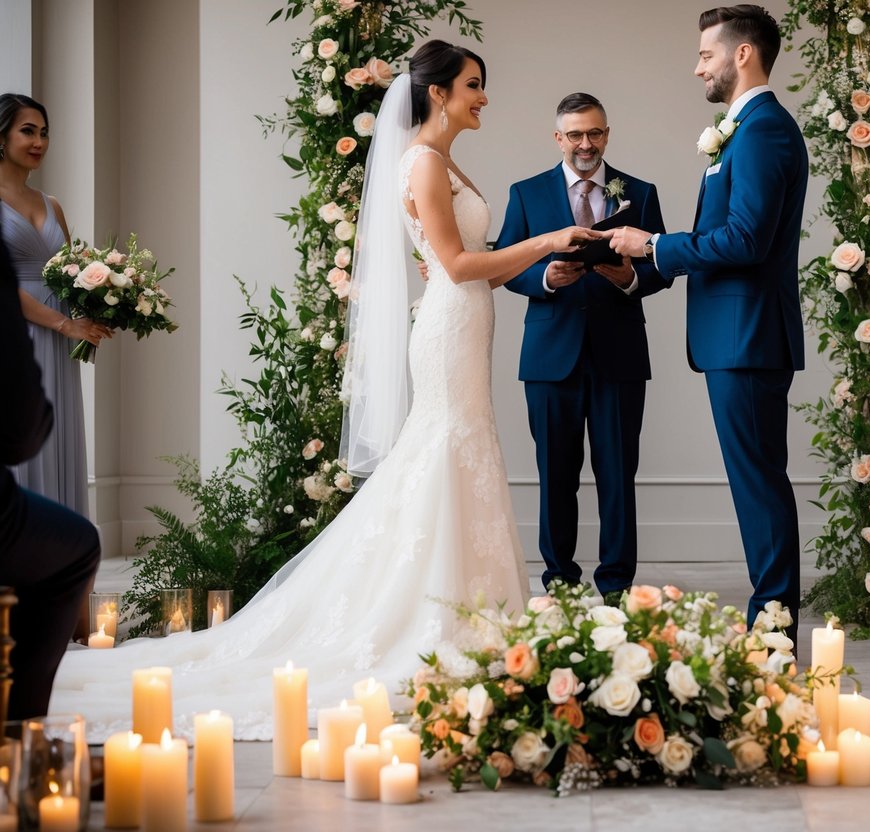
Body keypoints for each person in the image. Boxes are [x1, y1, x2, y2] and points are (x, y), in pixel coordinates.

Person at [49, 40, 601, 740]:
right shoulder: (424, 162)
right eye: (472, 85)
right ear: (436, 93)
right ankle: (430, 612)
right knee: (442, 449)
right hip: (447, 328)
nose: (483, 97)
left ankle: (472, 605)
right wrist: (548, 240)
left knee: (459, 450)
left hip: (464, 322)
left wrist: (548, 259)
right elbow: (458, 264)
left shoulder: (445, 159)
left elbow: (463, 268)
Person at [610, 5, 808, 638]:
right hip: (733, 337)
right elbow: (724, 236)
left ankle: (773, 630)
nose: (698, 66)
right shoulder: (741, 130)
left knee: (759, 485)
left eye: (706, 54)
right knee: (755, 481)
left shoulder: (764, 131)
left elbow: (746, 240)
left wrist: (657, 246)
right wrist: (644, 269)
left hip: (748, 337)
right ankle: (769, 623)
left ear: (742, 54)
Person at [496, 93, 667, 604]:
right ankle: (560, 584)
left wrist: (630, 276)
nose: (585, 144)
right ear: (558, 139)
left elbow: (663, 267)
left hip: (619, 356)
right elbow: (504, 264)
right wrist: (545, 276)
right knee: (556, 475)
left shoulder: (639, 191)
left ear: (607, 134)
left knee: (619, 477)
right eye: (575, 135)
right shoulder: (526, 193)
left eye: (594, 133)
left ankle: (616, 588)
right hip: (551, 358)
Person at [1, 93, 111, 643]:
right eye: (27, 131)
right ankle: (15, 612)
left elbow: (71, 270)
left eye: (44, 131)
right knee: (28, 446)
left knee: (63, 442)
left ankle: (67, 613)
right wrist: (66, 326)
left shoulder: (53, 203)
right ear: (2, 137)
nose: (39, 141)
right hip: (21, 336)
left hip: (64, 341)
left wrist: (105, 303)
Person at [0, 232, 102, 722]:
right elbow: (21, 429)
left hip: (62, 340)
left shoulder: (53, 203)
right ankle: (20, 730)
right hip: (43, 336)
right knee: (75, 546)